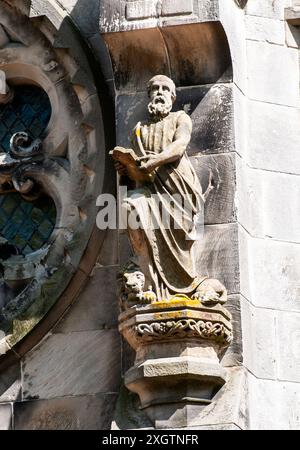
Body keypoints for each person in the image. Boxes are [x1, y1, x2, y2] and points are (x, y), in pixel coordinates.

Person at [113, 75, 223, 302]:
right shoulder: (139, 129)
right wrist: (126, 170)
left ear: (172, 97)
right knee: (128, 206)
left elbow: (180, 146)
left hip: (178, 189)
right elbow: (137, 167)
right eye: (155, 88)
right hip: (148, 188)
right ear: (149, 95)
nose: (160, 92)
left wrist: (155, 161)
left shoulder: (180, 118)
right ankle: (148, 277)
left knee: (176, 234)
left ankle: (185, 281)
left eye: (165, 89)